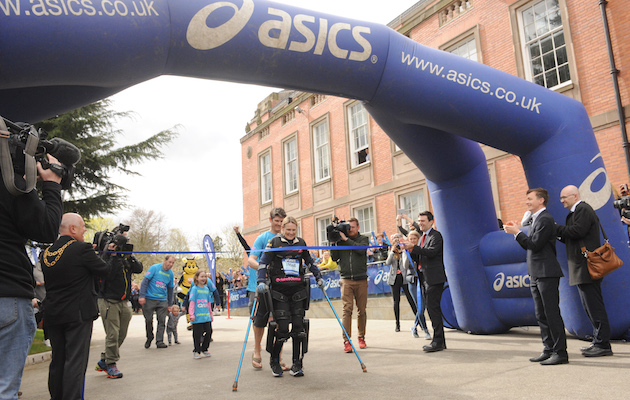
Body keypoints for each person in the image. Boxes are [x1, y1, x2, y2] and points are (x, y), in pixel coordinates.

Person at [0, 153, 63, 400]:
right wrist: (51, 185)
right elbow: (47, 229)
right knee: (4, 388)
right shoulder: (9, 184)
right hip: (7, 294)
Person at [41, 213, 110, 399]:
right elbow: (104, 270)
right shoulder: (82, 249)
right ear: (72, 229)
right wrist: (104, 253)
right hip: (77, 314)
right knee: (75, 362)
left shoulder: (46, 253)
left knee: (58, 360)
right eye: (82, 226)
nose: (85, 230)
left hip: (54, 313)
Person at [504, 188, 567, 365]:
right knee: (541, 314)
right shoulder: (536, 219)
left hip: (547, 273)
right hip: (536, 273)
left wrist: (516, 232)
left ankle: (560, 352)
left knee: (551, 313)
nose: (527, 202)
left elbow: (534, 244)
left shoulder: (545, 219)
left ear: (541, 200)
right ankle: (548, 349)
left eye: (530, 199)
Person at [256, 216, 323, 377]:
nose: (291, 233)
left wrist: (318, 276)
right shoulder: (274, 242)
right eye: (288, 230)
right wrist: (261, 280)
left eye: (293, 230)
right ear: (283, 229)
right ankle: (274, 359)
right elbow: (263, 263)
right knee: (283, 328)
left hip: (298, 290)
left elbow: (310, 261)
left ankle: (297, 363)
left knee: (299, 328)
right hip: (280, 292)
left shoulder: (301, 243)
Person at [555, 185, 613, 357]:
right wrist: (560, 234)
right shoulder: (576, 212)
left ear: (574, 195)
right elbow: (574, 237)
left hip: (587, 267)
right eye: (561, 198)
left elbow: (577, 231)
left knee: (594, 306)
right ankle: (598, 340)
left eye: (564, 197)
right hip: (582, 267)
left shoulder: (583, 209)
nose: (562, 201)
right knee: (590, 307)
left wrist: (555, 228)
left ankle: (603, 344)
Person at [95, 233, 143, 379]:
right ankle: (111, 364)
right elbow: (109, 273)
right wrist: (113, 255)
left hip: (124, 302)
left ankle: (104, 360)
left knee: (121, 334)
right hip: (109, 301)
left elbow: (139, 268)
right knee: (112, 334)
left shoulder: (125, 260)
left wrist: (130, 256)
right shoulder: (106, 258)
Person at [401, 211, 448, 353]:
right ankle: (439, 341)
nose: (420, 223)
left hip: (434, 278)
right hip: (425, 277)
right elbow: (421, 256)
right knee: (431, 309)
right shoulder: (423, 238)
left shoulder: (435, 236)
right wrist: (408, 250)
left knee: (433, 309)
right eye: (419, 221)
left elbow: (432, 252)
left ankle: (438, 341)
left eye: (423, 221)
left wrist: (413, 247)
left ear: (431, 222)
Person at [248, 207, 286, 369]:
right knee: (260, 319)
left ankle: (278, 355)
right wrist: (265, 270)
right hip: (262, 284)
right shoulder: (262, 238)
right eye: (276, 221)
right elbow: (251, 260)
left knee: (281, 320)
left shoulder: (286, 238)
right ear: (270, 220)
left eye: (281, 222)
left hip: (281, 285)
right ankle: (257, 349)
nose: (279, 224)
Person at [331, 217, 369, 352]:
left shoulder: (363, 239)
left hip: (361, 279)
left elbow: (361, 250)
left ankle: (361, 337)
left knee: (362, 310)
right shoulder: (340, 241)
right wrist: (334, 242)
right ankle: (346, 340)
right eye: (348, 227)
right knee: (347, 310)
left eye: (352, 227)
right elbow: (334, 258)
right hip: (346, 279)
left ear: (358, 227)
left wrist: (346, 240)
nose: (350, 229)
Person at [139, 255, 176, 349]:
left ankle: (159, 341)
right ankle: (149, 337)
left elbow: (170, 289)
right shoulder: (154, 268)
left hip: (162, 300)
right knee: (148, 320)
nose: (170, 264)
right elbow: (145, 282)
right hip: (149, 298)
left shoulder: (171, 274)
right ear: (165, 261)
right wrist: (142, 296)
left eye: (172, 263)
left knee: (162, 320)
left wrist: (170, 304)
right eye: (169, 262)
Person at [385, 233, 418, 333]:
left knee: (411, 300)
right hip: (394, 279)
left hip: (404, 279)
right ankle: (397, 324)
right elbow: (388, 262)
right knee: (396, 302)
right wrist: (392, 251)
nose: (398, 246)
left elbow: (407, 263)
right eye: (396, 244)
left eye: (398, 244)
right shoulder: (392, 252)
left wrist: (403, 250)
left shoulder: (404, 252)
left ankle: (419, 321)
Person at [402, 230, 431, 339]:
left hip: (423, 280)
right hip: (413, 281)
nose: (413, 240)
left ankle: (414, 327)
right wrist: (406, 252)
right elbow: (404, 266)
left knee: (422, 307)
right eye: (411, 239)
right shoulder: (407, 251)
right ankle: (426, 330)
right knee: (420, 307)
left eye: (415, 238)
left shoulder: (421, 249)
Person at [188, 270, 220, 359]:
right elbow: (192, 302)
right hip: (197, 317)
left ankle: (204, 348)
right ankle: (196, 350)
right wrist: (191, 315)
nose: (203, 278)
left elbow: (208, 303)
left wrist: (211, 314)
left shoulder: (206, 289)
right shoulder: (194, 289)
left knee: (209, 332)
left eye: (205, 277)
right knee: (197, 335)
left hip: (206, 316)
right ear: (196, 278)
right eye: (201, 276)